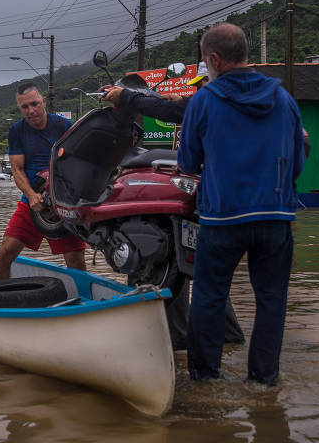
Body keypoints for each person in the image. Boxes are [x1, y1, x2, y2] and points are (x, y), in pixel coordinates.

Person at [177, 23, 305, 385]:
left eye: (205, 61)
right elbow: (296, 164)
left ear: (215, 59)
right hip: (276, 218)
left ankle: (205, 380)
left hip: (222, 219)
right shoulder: (284, 100)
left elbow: (187, 162)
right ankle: (263, 383)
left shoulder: (204, 100)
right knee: (271, 300)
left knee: (208, 298)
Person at [104, 61, 245, 351]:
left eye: (200, 85)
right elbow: (174, 105)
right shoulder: (235, 104)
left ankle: (176, 340)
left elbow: (174, 109)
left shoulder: (209, 105)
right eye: (194, 87)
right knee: (205, 270)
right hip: (223, 202)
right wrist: (159, 97)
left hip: (212, 200)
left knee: (174, 260)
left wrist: (126, 97)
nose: (197, 92)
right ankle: (228, 339)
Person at [0, 83, 87, 281]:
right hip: (32, 201)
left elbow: (79, 161)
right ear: (20, 108)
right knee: (6, 251)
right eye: (25, 107)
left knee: (75, 259)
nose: (31, 110)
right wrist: (31, 195)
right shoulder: (16, 130)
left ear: (43, 102)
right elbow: (17, 170)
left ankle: (85, 307)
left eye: (34, 104)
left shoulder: (63, 126)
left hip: (63, 202)